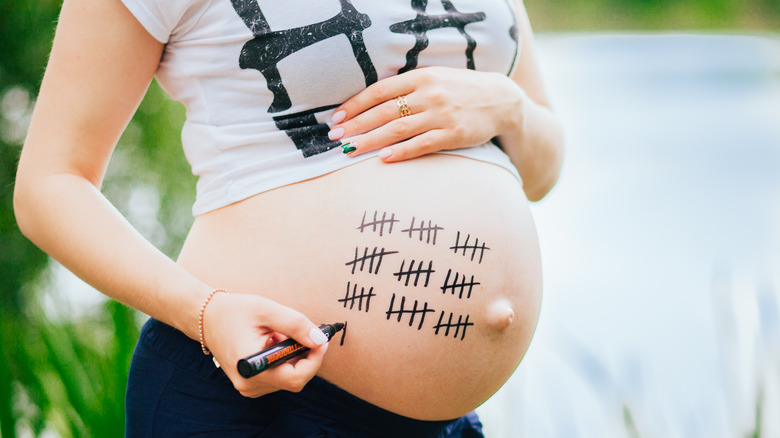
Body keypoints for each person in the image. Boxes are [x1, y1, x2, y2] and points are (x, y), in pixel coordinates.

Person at [14, 0, 563, 436]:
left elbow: (543, 170)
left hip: (442, 422)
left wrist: (506, 105)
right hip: (261, 402)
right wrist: (205, 313)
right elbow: (50, 185)